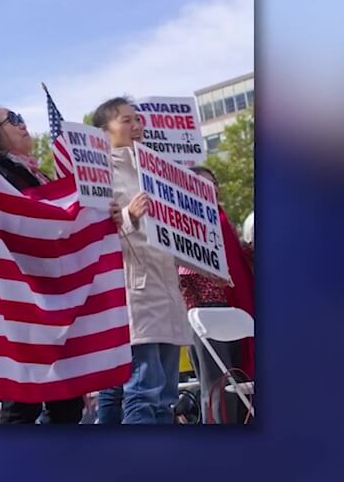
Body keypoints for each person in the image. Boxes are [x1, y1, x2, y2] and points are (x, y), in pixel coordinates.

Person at [0, 105, 89, 424]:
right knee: (24, 402)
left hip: (53, 295)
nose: (22, 125)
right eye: (13, 120)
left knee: (67, 396)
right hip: (21, 297)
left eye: (21, 118)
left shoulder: (38, 173)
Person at [92, 97, 191, 424]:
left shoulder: (158, 171)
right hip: (134, 292)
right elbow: (92, 233)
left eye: (138, 119)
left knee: (166, 396)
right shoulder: (100, 173)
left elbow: (178, 235)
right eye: (125, 120)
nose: (136, 126)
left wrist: (209, 266)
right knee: (143, 391)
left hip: (166, 292)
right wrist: (129, 215)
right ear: (104, 131)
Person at [178, 166, 255, 423]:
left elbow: (236, 260)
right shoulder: (185, 222)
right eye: (201, 184)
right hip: (206, 312)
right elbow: (182, 270)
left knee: (238, 380)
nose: (209, 189)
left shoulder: (221, 219)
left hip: (233, 310)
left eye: (213, 184)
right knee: (217, 386)